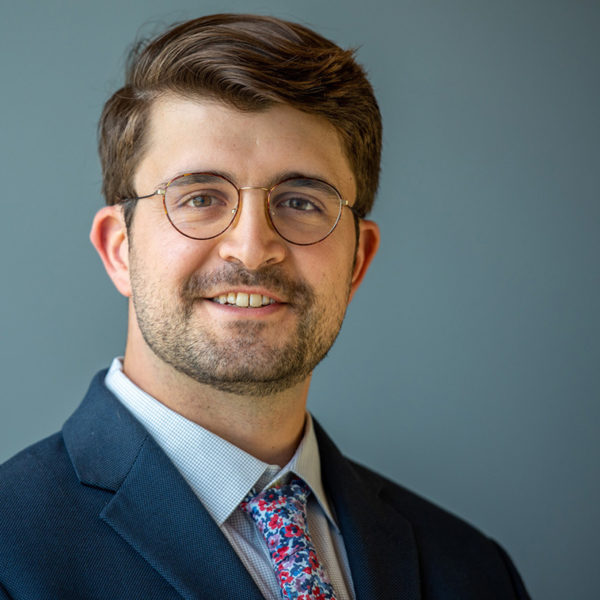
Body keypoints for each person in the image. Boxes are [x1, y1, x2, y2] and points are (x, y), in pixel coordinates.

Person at [0, 13, 530, 600]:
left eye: (301, 201)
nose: (253, 248)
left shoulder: (472, 570)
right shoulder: (10, 552)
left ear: (358, 260)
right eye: (200, 197)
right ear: (119, 250)